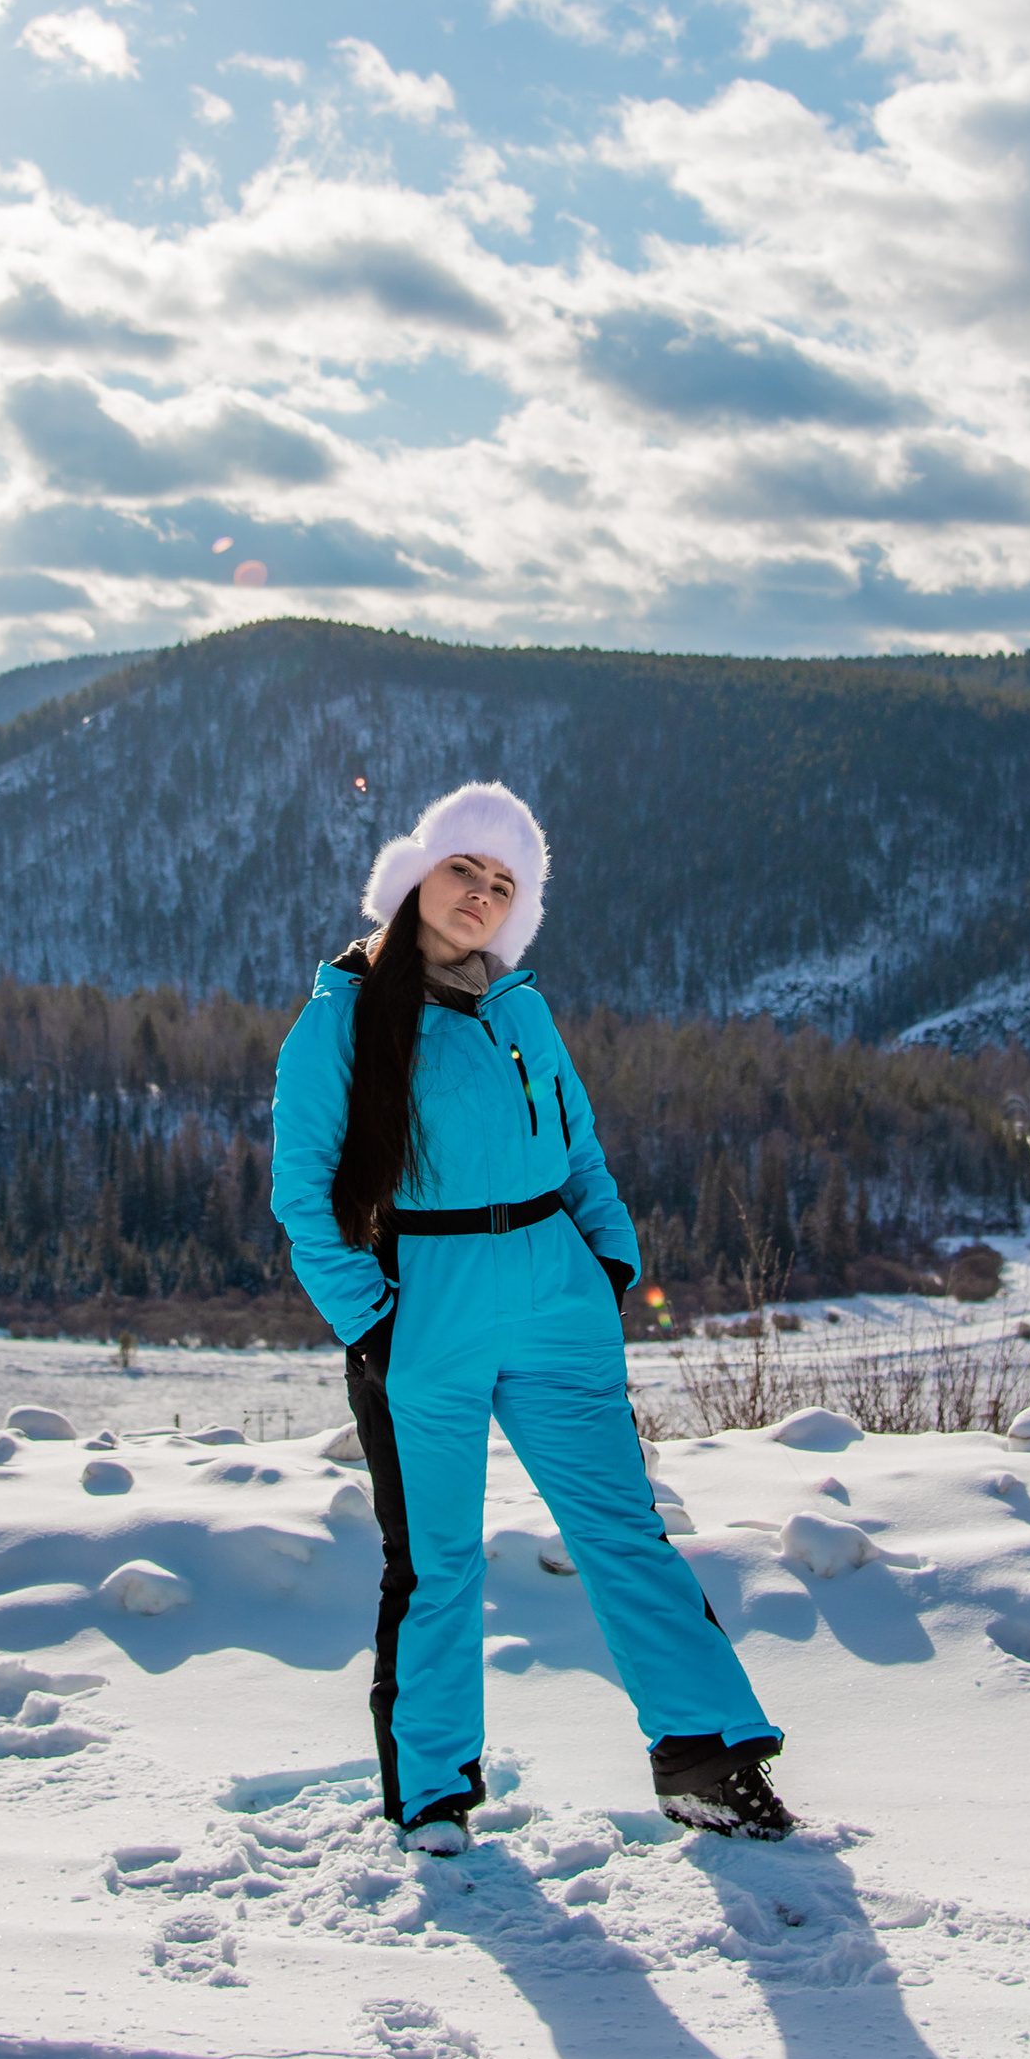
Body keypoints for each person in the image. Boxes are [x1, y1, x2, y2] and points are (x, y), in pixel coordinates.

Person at [270, 780, 795, 1854]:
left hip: (557, 1297)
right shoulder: (340, 1020)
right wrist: (374, 1322)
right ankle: (433, 1795)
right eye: (464, 868)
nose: (481, 893)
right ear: (414, 876)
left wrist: (607, 1258)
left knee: (623, 1532)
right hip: (429, 1304)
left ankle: (706, 1761)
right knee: (438, 1562)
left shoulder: (520, 1007)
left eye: (504, 883)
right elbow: (304, 1194)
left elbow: (579, 1145)